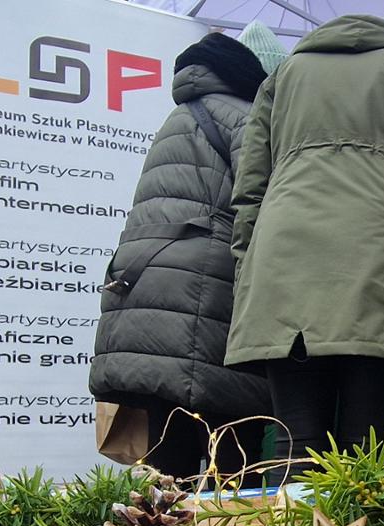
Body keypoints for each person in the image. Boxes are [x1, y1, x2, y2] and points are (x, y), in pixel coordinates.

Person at [225, 5, 384, 473]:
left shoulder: (283, 75)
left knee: (295, 445)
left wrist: (248, 277)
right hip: (376, 255)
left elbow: (249, 189)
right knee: (368, 452)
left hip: (280, 260)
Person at [90, 31, 284, 479]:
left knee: (167, 466)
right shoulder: (246, 119)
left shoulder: (176, 118)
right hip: (206, 293)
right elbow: (263, 206)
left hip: (143, 296)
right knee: (232, 464)